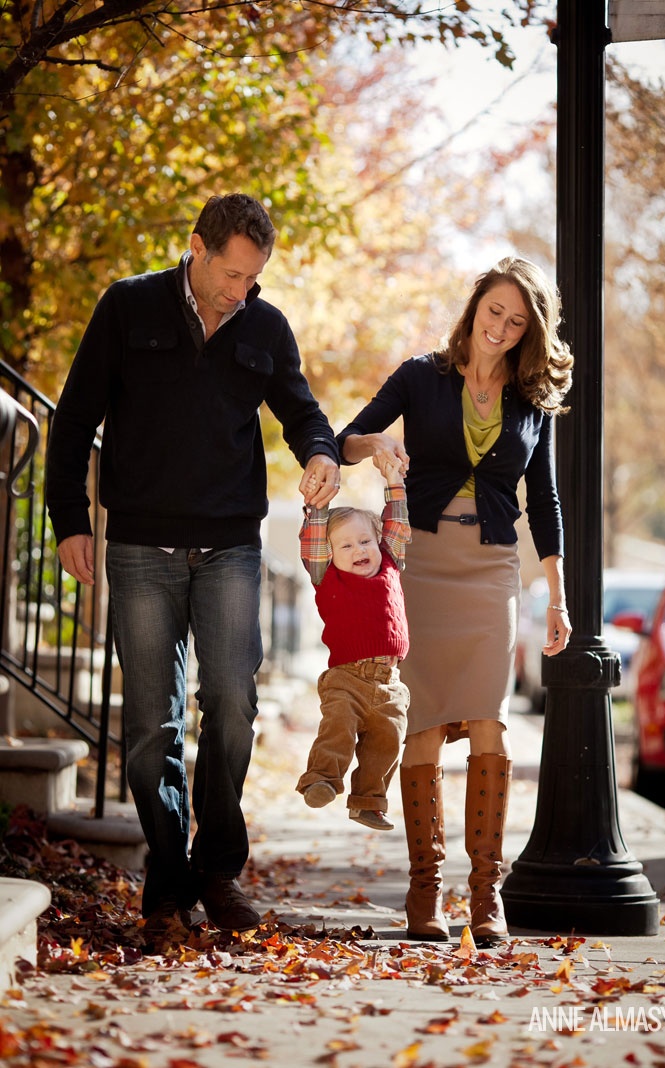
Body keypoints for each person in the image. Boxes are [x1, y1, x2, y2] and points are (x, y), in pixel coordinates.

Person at [46, 193, 341, 943]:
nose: (238, 292)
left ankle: (218, 869)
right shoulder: (127, 306)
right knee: (150, 730)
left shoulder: (265, 326)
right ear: (196, 247)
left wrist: (320, 452)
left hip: (230, 549)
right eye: (231, 274)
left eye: (252, 278)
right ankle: (169, 883)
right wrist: (69, 524)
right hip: (141, 548)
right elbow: (75, 420)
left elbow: (302, 410)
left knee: (233, 704)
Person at [337, 256, 574, 945]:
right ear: (473, 311)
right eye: (493, 311)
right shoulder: (421, 376)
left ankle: (485, 894)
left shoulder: (531, 400)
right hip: (422, 566)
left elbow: (546, 500)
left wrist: (557, 596)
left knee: (490, 719)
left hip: (494, 570)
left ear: (529, 331)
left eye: (516, 320)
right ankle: (424, 890)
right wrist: (378, 442)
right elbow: (345, 440)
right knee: (427, 724)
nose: (500, 327)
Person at [296, 459, 411, 830]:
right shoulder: (327, 577)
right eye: (345, 545)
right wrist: (318, 502)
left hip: (390, 683)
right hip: (347, 678)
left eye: (365, 541)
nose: (359, 549)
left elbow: (396, 527)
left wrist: (394, 482)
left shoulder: (390, 564)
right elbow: (314, 538)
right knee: (339, 726)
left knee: (388, 741)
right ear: (330, 555)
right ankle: (321, 780)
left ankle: (368, 801)